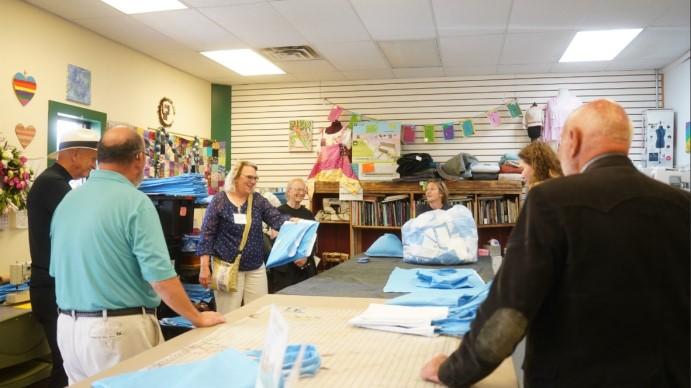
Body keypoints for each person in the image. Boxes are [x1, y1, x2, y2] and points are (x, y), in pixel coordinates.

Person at [421, 99, 690, 388]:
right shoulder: (681, 205)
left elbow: (510, 313)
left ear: (572, 141)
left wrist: (453, 370)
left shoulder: (551, 200)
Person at [49, 126, 225, 384]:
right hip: (116, 333)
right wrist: (196, 317)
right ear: (140, 159)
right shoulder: (136, 203)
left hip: (68, 330)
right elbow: (161, 278)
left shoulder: (68, 202)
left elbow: (59, 270)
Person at [27, 127, 99, 387]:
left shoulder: (54, 183)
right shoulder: (53, 185)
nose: (93, 166)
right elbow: (84, 227)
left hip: (52, 286)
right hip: (51, 288)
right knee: (65, 367)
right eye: (92, 159)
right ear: (75, 154)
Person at [197, 160, 291, 313]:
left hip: (255, 268)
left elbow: (276, 219)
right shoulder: (220, 200)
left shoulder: (258, 200)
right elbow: (206, 235)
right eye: (249, 177)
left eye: (255, 178)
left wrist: (294, 222)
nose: (253, 182)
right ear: (235, 177)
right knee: (228, 316)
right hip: (227, 268)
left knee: (260, 314)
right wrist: (204, 267)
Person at [269, 178, 317, 293]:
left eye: (303, 190)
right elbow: (275, 240)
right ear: (289, 191)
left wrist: (305, 258)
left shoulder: (308, 214)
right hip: (284, 268)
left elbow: (312, 240)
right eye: (298, 189)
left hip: (304, 266)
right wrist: (294, 256)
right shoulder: (278, 213)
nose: (301, 193)